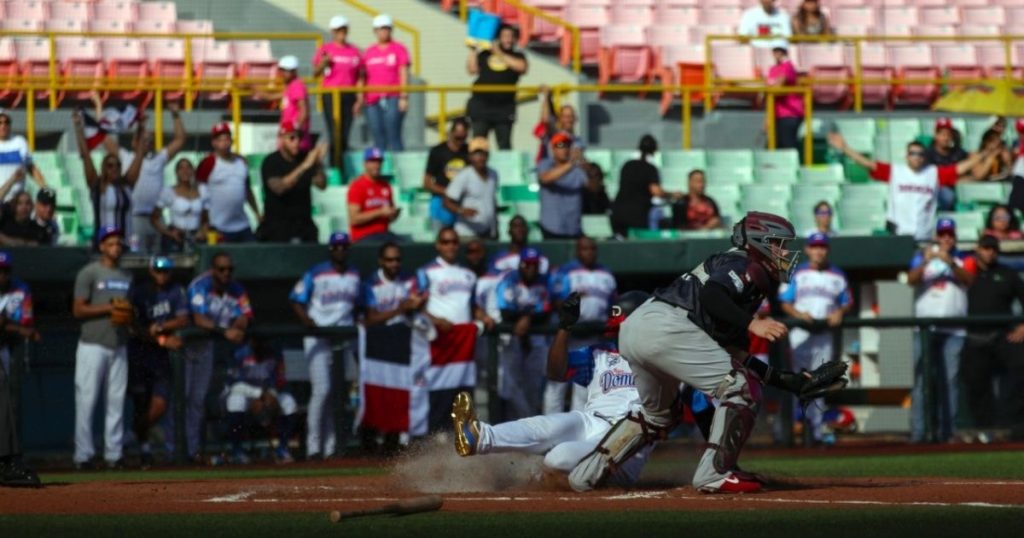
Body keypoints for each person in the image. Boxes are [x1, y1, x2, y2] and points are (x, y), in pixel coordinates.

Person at [569, 212, 827, 493]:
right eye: (779, 243)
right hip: (667, 327)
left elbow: (736, 355)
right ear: (760, 242)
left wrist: (788, 381)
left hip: (640, 329)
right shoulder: (744, 263)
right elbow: (712, 295)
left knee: (658, 416)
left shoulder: (745, 276)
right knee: (741, 387)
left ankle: (585, 475)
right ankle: (714, 473)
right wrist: (754, 323)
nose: (786, 252)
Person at [452, 291, 665, 487]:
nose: (616, 333)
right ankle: (479, 437)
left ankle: (547, 471)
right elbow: (555, 372)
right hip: (592, 419)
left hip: (629, 437)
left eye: (621, 327)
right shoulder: (600, 353)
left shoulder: (663, 359)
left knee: (558, 458)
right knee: (545, 426)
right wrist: (564, 328)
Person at [827, 131, 989, 241]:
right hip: (899, 234)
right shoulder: (895, 171)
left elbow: (959, 168)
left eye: (920, 154)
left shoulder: (933, 173)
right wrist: (846, 149)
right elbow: (868, 164)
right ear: (906, 156)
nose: (917, 157)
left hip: (924, 235)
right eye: (913, 153)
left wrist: (984, 154)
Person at [289, 232, 361, 461]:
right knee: (322, 390)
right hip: (319, 337)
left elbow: (359, 305)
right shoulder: (317, 272)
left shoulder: (355, 274)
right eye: (336, 246)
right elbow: (296, 298)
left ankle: (331, 447)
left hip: (343, 339)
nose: (340, 249)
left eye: (344, 246)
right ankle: (313, 447)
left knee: (336, 394)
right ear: (330, 249)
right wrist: (307, 321)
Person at [778, 232, 852, 445]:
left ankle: (817, 434)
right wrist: (799, 314)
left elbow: (847, 301)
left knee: (820, 384)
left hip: (824, 335)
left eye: (822, 247)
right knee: (796, 383)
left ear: (827, 250)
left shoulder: (837, 275)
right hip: (801, 333)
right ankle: (794, 431)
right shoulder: (797, 272)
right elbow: (785, 302)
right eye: (815, 246)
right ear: (808, 249)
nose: (819, 250)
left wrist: (841, 311)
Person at [906, 218, 974, 444]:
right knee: (921, 381)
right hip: (925, 328)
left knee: (950, 380)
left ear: (954, 236)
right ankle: (919, 433)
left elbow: (970, 279)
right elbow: (911, 279)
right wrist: (926, 262)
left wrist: (951, 264)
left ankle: (948, 433)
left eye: (950, 234)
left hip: (954, 329)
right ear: (937, 235)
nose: (946, 238)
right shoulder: (924, 255)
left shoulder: (963, 257)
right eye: (943, 234)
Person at [72, 226, 133, 470]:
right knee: (87, 401)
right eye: (110, 242)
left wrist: (128, 314)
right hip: (92, 344)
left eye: (118, 242)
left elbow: (128, 310)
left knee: (116, 402)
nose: (115, 246)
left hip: (118, 344)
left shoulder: (127, 276)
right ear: (101, 246)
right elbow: (78, 309)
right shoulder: (89, 272)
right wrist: (108, 308)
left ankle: (113, 454)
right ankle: (83, 455)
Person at [184, 253, 253, 462]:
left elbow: (246, 315)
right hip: (188, 347)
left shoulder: (236, 289)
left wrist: (238, 325)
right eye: (221, 269)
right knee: (183, 398)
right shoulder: (200, 285)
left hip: (210, 348)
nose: (226, 273)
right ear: (213, 270)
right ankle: (176, 450)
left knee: (198, 400)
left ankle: (193, 451)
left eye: (229, 269)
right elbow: (198, 319)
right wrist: (226, 332)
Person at [126, 256, 188, 468]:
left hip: (160, 356)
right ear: (151, 271)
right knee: (140, 403)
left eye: (166, 270)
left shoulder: (176, 290)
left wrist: (160, 327)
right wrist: (160, 338)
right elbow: (133, 326)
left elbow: (182, 318)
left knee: (159, 405)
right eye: (158, 270)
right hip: (140, 352)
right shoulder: (139, 292)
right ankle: (144, 450)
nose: (162, 274)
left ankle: (133, 434)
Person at [961, 235, 1024, 441]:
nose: (990, 252)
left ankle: (1014, 427)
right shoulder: (967, 274)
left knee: (1019, 370)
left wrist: (1023, 326)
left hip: (1002, 335)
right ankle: (982, 429)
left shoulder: (1007, 273)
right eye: (986, 248)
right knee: (976, 383)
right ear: (977, 249)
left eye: (993, 249)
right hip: (974, 337)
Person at [546, 237, 617, 414]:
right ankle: (550, 427)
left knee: (583, 386)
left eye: (593, 249)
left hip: (593, 335)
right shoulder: (566, 272)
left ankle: (578, 428)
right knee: (557, 384)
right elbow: (554, 301)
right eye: (585, 249)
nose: (590, 252)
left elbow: (613, 304)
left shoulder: (606, 273)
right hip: (569, 335)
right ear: (578, 251)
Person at [120, 102, 186, 254]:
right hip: (134, 219)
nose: (147, 142)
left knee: (158, 257)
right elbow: (106, 140)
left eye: (149, 139)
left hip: (156, 219)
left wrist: (175, 115)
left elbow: (180, 140)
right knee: (134, 255)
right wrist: (138, 125)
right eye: (143, 139)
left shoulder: (159, 158)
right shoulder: (126, 157)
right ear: (134, 142)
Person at [494, 248, 551, 419]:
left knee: (533, 385)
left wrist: (527, 317)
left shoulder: (543, 282)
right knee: (510, 386)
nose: (530, 269)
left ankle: (530, 422)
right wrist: (526, 316)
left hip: (537, 340)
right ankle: (519, 420)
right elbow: (505, 312)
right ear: (520, 264)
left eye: (534, 265)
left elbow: (546, 311)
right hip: (512, 339)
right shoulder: (509, 280)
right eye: (527, 265)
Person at [222, 337, 299, 464]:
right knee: (236, 402)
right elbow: (233, 384)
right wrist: (257, 394)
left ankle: (282, 449)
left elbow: (280, 379)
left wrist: (271, 393)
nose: (261, 345)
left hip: (269, 393)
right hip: (243, 392)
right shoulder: (239, 352)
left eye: (264, 341)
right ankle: (237, 451)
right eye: (257, 341)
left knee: (289, 403)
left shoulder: (275, 352)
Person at [0, 251, 40, 487]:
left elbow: (26, 324)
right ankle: (7, 463)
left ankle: (7, 461)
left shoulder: (19, 289)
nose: (2, 275)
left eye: (5, 270)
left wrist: (9, 325)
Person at [72, 110, 144, 240]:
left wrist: (141, 126)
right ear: (104, 169)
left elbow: (139, 156)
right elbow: (86, 156)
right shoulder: (96, 186)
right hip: (102, 246)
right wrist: (78, 128)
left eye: (118, 165)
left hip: (125, 244)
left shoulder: (127, 185)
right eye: (110, 166)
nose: (114, 169)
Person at [259, 123, 328, 243]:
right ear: (281, 139)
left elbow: (322, 185)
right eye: (291, 138)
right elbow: (279, 188)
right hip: (277, 226)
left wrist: (317, 163)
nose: (296, 142)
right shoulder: (271, 161)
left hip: (304, 225)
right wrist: (304, 166)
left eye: (299, 138)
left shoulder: (304, 158)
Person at [195, 123, 261, 243]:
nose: (224, 143)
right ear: (214, 143)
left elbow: (247, 190)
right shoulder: (208, 163)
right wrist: (203, 224)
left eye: (227, 138)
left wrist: (257, 213)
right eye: (220, 140)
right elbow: (200, 195)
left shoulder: (241, 162)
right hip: (218, 226)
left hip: (242, 224)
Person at [466, 24, 528, 150]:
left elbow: (521, 67)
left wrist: (498, 52)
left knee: (504, 145)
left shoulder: (517, 56)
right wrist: (473, 50)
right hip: (481, 105)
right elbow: (472, 69)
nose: (508, 40)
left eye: (511, 37)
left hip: (504, 108)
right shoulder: (485, 54)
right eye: (505, 36)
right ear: (498, 38)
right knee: (478, 144)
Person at [313, 15, 363, 169]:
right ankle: (335, 167)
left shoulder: (354, 51)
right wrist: (324, 62)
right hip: (331, 95)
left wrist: (359, 100)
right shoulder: (325, 49)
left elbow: (359, 77)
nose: (341, 33)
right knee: (334, 133)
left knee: (345, 134)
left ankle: (343, 167)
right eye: (338, 30)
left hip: (349, 95)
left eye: (343, 29)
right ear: (333, 32)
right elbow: (316, 72)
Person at [611, 135, 677, 237]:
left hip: (618, 212)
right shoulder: (650, 168)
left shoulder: (627, 165)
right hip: (637, 214)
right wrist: (672, 195)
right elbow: (656, 191)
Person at [417, 227, 480, 332]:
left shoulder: (470, 274)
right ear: (438, 245)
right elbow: (418, 308)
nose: (451, 246)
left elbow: (473, 306)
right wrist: (437, 321)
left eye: (454, 242)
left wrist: (484, 316)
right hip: (439, 334)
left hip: (464, 333)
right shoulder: (426, 272)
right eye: (446, 242)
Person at [363, 14, 410, 151]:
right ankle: (380, 167)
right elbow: (363, 75)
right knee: (378, 135)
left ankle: (399, 167)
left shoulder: (399, 49)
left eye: (386, 28)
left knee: (393, 132)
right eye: (380, 29)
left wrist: (403, 96)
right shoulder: (369, 51)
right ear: (375, 31)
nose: (383, 32)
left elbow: (403, 72)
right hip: (372, 99)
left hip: (393, 96)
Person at [151, 158, 210, 253]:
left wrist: (203, 231)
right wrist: (169, 233)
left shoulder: (202, 190)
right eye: (181, 168)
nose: (185, 171)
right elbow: (154, 218)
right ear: (176, 172)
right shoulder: (169, 191)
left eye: (188, 167)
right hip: (176, 236)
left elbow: (206, 218)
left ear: (193, 171)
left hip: (196, 237)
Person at [445, 137, 499, 239]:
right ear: (470, 156)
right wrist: (461, 210)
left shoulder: (493, 174)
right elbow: (447, 201)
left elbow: (492, 199)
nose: (480, 157)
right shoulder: (464, 176)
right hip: (467, 233)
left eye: (483, 154)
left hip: (487, 232)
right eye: (477, 154)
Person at [363, 241, 425, 327]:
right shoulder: (371, 284)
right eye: (389, 260)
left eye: (398, 260)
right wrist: (401, 309)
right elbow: (371, 319)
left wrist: (415, 304)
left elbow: (414, 308)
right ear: (381, 261)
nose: (394, 264)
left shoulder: (410, 280)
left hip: (405, 331)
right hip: (380, 333)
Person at [423, 117, 470, 231]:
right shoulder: (438, 151)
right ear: (451, 133)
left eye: (463, 138)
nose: (460, 141)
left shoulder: (468, 151)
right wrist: (448, 191)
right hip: (440, 203)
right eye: (457, 137)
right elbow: (427, 183)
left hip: (462, 202)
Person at [537, 132, 585, 239]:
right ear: (553, 149)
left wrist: (585, 163)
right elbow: (545, 178)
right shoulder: (545, 164)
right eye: (560, 146)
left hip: (573, 227)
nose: (564, 149)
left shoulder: (578, 168)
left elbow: (592, 186)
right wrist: (571, 163)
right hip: (552, 227)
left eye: (567, 145)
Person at [346, 147, 400, 243]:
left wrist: (393, 214)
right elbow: (354, 219)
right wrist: (380, 212)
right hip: (363, 236)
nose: (377, 165)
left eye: (379, 162)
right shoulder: (357, 186)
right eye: (373, 162)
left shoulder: (385, 186)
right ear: (365, 164)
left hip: (384, 233)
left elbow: (388, 217)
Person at [0, 109, 48, 204]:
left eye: (6, 122)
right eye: (0, 122)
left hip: (17, 203)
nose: (3, 125)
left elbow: (31, 167)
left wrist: (44, 187)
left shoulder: (20, 142)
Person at [765, 47, 804, 152]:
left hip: (790, 112)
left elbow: (778, 86)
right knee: (773, 145)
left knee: (787, 144)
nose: (777, 54)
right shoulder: (772, 69)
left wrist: (770, 89)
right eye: (775, 51)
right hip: (777, 112)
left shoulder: (788, 66)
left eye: (780, 51)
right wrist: (767, 119)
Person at [926, 118, 970, 211]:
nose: (946, 138)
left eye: (948, 135)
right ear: (936, 135)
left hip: (957, 186)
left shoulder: (958, 152)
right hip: (935, 189)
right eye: (942, 134)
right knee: (948, 196)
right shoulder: (927, 153)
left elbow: (970, 167)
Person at [533, 86, 580, 163]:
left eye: (571, 116)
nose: (569, 119)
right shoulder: (554, 133)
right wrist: (546, 96)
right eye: (565, 116)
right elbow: (545, 119)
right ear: (560, 119)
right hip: (551, 171)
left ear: (575, 118)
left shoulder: (578, 140)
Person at [275, 56, 311, 152]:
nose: (282, 74)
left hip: (293, 141)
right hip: (288, 137)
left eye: (286, 71)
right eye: (281, 70)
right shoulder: (290, 87)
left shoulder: (296, 86)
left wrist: (294, 133)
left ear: (294, 72)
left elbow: (303, 111)